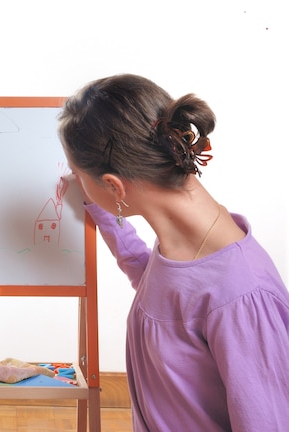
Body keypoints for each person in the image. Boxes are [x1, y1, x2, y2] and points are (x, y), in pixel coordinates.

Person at [58, 74, 289, 431]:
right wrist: (100, 209)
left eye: (77, 173)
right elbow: (163, 296)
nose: (74, 182)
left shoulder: (241, 295)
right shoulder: (183, 246)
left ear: (114, 185)